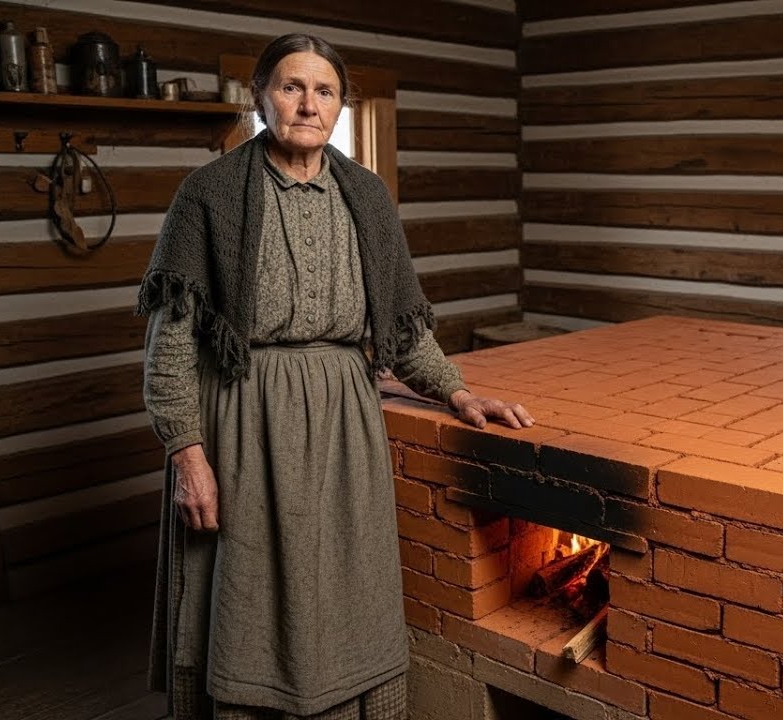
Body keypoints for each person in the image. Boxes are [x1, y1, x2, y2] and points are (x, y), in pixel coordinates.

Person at [139, 33, 533, 720]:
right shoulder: (209, 195)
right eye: (291, 87)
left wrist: (459, 391)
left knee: (349, 591)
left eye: (324, 91)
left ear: (341, 105)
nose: (307, 103)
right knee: (250, 595)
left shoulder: (367, 198)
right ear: (260, 96)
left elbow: (402, 331)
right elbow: (171, 341)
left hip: (345, 426)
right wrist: (186, 453)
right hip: (246, 422)